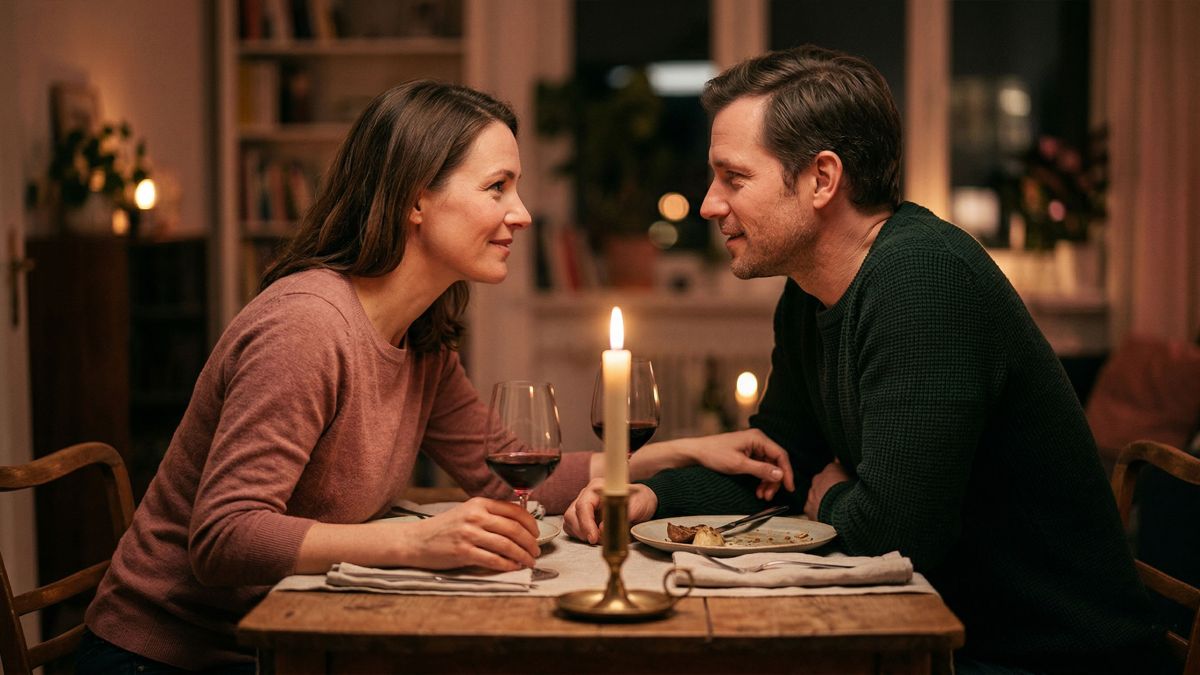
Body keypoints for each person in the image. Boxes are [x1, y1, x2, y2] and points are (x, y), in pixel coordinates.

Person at [78, 80, 791, 673]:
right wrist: (414, 541)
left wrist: (684, 449)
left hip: (284, 643)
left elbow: (521, 478)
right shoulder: (306, 327)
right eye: (497, 187)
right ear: (416, 199)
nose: (522, 212)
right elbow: (224, 537)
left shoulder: (419, 339)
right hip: (166, 656)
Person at [564, 46, 1162, 674]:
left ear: (822, 179)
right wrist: (653, 499)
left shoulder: (922, 280)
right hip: (934, 638)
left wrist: (830, 500)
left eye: (733, 178)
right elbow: (779, 469)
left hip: (1043, 656)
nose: (710, 203)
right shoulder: (807, 291)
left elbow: (893, 539)